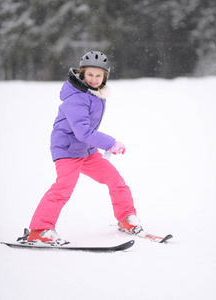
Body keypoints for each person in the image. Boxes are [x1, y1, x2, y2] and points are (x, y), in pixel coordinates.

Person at [27, 51, 145, 245]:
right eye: (90, 74)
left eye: (99, 75)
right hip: (67, 150)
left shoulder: (95, 95)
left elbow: (86, 134)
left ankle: (126, 219)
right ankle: (40, 230)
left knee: (116, 181)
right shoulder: (76, 97)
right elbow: (82, 132)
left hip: (86, 151)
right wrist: (110, 143)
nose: (94, 79)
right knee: (63, 189)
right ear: (82, 73)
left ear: (105, 77)